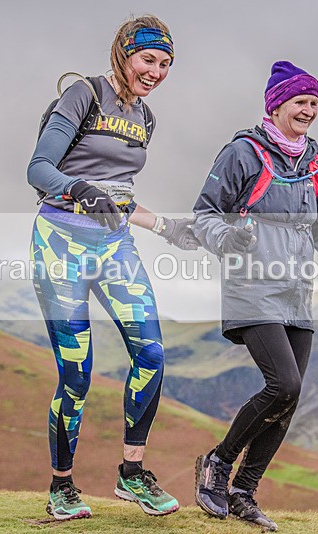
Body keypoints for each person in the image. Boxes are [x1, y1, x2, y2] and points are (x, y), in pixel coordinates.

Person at [191, 60, 318, 531]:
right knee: (285, 384)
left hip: (297, 292)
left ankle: (244, 492)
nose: (309, 110)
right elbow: (205, 216)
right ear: (277, 105)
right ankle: (218, 464)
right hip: (250, 287)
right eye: (301, 101)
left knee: (289, 399)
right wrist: (230, 238)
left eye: (315, 103)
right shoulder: (242, 153)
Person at [26, 14, 198, 520]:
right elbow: (39, 168)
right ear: (124, 54)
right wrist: (79, 188)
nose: (156, 72)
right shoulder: (84, 94)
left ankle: (132, 473)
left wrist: (166, 227)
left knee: (152, 354)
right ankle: (62, 486)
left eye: (165, 64)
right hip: (61, 243)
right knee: (76, 374)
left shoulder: (145, 118)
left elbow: (120, 195)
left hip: (114, 246)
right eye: (148, 59)